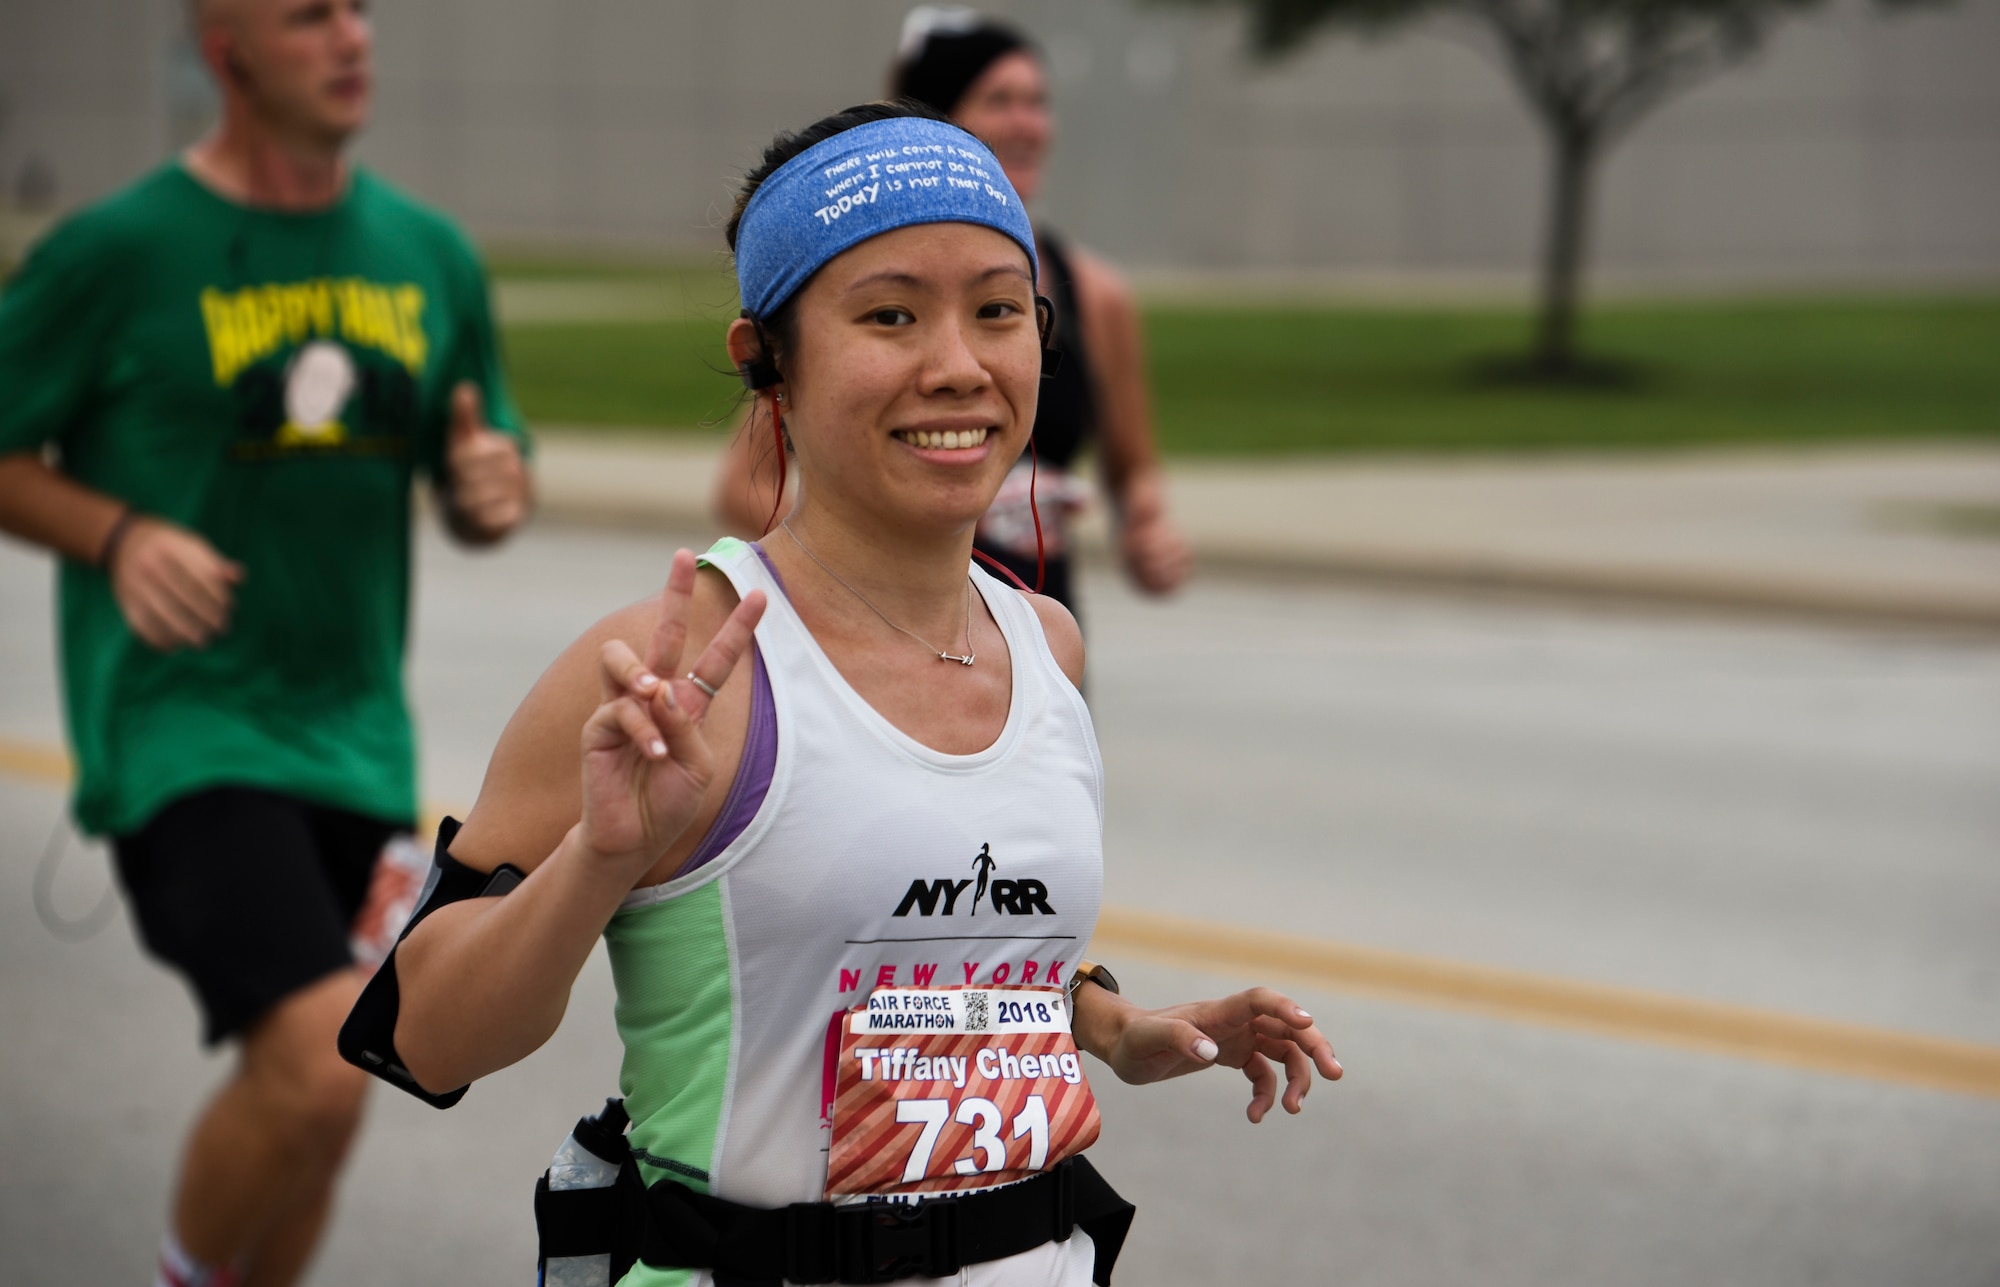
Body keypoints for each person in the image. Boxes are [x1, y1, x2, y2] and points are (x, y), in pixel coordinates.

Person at [367, 101, 1336, 1287]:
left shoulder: (1045, 643)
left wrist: (1115, 1030)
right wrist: (601, 861)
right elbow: (424, 1039)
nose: (958, 366)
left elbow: (948, 948)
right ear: (764, 358)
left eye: (996, 311)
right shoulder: (675, 667)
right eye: (889, 315)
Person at [0, 2, 531, 1285]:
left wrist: (480, 488)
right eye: (307, 15)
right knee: (312, 1068)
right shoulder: (116, 253)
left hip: (356, 739)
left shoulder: (429, 256)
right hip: (184, 727)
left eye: (357, 11)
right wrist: (118, 534)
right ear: (224, 45)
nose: (349, 37)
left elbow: (475, 469)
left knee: (326, 1111)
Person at [714, 7, 1191, 619]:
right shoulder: (832, 283)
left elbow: (1134, 470)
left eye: (998, 309)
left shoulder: (1097, 293)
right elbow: (743, 486)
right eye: (999, 99)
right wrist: (904, 544)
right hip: (886, 628)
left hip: (1032, 633)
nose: (1026, 122)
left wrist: (1146, 529)